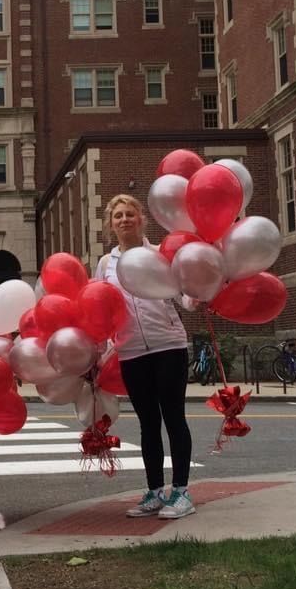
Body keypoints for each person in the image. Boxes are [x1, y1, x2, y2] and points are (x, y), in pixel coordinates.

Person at [96, 194, 195, 519]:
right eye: (118, 215)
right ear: (111, 224)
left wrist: (204, 283)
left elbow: (187, 301)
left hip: (169, 345)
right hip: (131, 351)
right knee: (148, 424)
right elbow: (98, 309)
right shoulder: (105, 264)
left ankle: (181, 492)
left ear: (141, 219)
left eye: (130, 214)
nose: (125, 219)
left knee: (173, 417)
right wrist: (100, 350)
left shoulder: (161, 254)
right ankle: (154, 492)